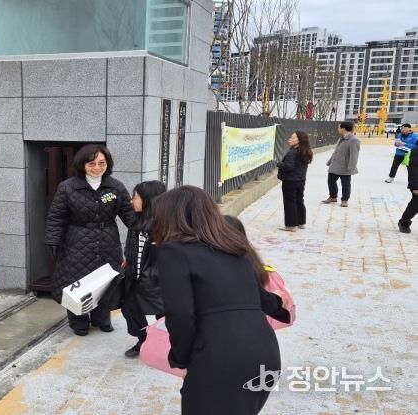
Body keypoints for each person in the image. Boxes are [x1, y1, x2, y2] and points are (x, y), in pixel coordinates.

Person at [152, 186, 290, 415]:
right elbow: (256, 297)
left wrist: (181, 360)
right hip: (265, 354)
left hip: (220, 360)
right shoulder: (233, 247)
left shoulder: (174, 252)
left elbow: (181, 316)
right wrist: (278, 304)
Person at [45, 144, 135, 336]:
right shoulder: (67, 187)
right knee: (77, 281)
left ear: (108, 164)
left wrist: (143, 233)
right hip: (76, 242)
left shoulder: (115, 187)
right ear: (82, 164)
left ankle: (102, 319)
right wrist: (53, 239)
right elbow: (56, 217)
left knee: (105, 281)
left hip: (108, 241)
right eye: (91, 163)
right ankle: (79, 322)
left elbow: (129, 215)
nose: (97, 167)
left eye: (101, 163)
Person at [121, 180, 166, 357]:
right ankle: (143, 339)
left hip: (156, 280)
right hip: (134, 276)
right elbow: (130, 246)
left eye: (135, 197)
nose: (131, 201)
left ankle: (166, 345)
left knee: (162, 315)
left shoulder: (164, 225)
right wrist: (128, 261)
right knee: (130, 309)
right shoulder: (136, 220)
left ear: (148, 200)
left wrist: (152, 275)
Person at [277, 131, 313, 231]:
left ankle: (291, 225)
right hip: (300, 180)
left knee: (290, 202)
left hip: (290, 181)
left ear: (299, 140)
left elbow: (289, 166)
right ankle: (301, 222)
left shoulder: (292, 152)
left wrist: (279, 164)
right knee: (299, 200)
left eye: (293, 137)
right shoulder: (305, 151)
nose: (290, 139)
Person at [322, 121, 360, 207]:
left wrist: (351, 167)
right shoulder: (341, 138)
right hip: (335, 165)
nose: (338, 129)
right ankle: (333, 197)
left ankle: (345, 200)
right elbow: (336, 151)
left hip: (345, 167)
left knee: (345, 184)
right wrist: (330, 161)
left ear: (343, 128)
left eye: (339, 127)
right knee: (330, 181)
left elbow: (354, 155)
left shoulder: (354, 140)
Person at [398, 149, 418, 233]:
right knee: (415, 205)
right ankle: (403, 222)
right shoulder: (416, 152)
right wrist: (415, 187)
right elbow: (414, 170)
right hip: (416, 184)